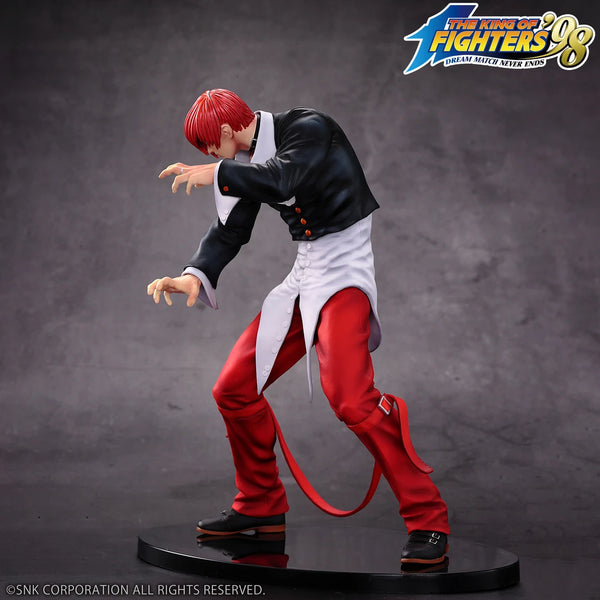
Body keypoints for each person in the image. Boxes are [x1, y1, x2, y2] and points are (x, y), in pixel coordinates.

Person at [147, 89, 450, 564]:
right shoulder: (243, 161)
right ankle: (260, 505)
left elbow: (280, 178)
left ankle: (428, 518)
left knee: (352, 400)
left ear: (225, 131)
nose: (210, 157)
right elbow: (231, 228)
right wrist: (194, 275)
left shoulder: (308, 128)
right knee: (233, 390)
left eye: (209, 147)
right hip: (305, 275)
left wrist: (218, 172)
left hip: (344, 274)